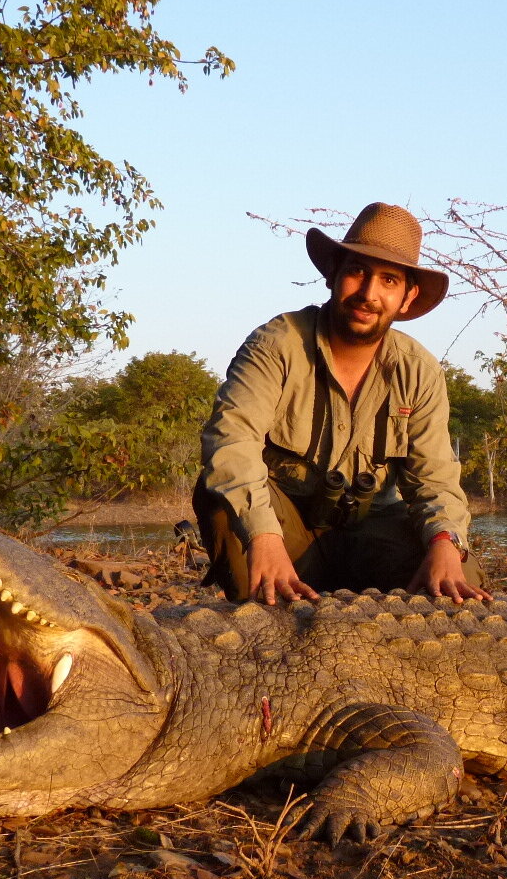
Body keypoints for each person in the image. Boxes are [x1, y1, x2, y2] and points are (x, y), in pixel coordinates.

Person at [194, 202, 490, 605]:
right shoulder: (275, 344)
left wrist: (444, 541)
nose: (369, 294)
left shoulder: (419, 370)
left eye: (389, 280)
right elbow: (231, 442)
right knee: (222, 503)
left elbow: (435, 480)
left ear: (407, 297)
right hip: (286, 524)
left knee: (459, 576)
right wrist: (263, 536)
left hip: (374, 529)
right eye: (357, 272)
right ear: (333, 274)